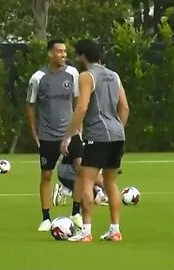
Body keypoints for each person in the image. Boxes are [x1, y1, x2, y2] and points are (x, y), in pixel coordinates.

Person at [60, 39, 129, 242]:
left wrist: (68, 135)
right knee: (111, 182)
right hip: (117, 135)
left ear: (82, 55)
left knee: (86, 181)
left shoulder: (86, 76)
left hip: (98, 135)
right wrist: (118, 129)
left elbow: (81, 107)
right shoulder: (114, 76)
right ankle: (115, 230)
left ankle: (86, 231)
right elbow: (124, 108)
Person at [26, 38, 80, 232]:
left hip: (70, 133)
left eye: (65, 52)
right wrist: (34, 132)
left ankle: (76, 212)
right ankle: (46, 217)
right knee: (47, 175)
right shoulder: (38, 78)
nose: (63, 55)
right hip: (47, 135)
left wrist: (78, 127)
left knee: (80, 169)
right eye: (59, 51)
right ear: (50, 53)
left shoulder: (72, 73)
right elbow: (30, 106)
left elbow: (77, 101)